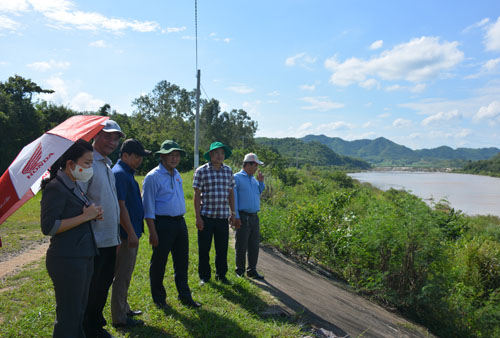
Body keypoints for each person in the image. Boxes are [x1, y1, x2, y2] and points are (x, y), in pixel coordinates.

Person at [40, 139, 102, 338]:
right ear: (70, 164)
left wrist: (92, 214)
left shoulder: (74, 184)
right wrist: (85, 216)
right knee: (69, 316)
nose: (90, 167)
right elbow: (49, 227)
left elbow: (78, 215)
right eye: (87, 163)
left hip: (83, 255)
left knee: (78, 313)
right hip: (67, 259)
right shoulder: (55, 188)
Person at [142, 140, 201, 308]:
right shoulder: (152, 177)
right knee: (159, 262)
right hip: (162, 224)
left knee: (182, 261)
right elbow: (148, 207)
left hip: (179, 222)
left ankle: (185, 296)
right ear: (162, 156)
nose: (175, 159)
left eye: (177, 155)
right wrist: (152, 231)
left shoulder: (176, 174)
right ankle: (159, 298)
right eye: (171, 155)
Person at [82, 120, 124, 338]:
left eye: (116, 138)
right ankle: (88, 328)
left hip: (109, 239)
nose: (112, 141)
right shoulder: (87, 163)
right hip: (93, 239)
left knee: (103, 284)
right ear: (95, 136)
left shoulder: (107, 165)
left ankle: (96, 323)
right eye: (107, 136)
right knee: (92, 287)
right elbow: (78, 199)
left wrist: (115, 238)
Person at [110, 139, 151, 328]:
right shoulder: (120, 174)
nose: (140, 160)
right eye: (137, 156)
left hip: (130, 233)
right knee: (122, 276)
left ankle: (124, 308)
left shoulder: (127, 173)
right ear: (125, 155)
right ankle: (119, 318)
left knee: (126, 274)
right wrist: (131, 233)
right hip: (125, 235)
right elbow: (120, 206)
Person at [193, 141, 237, 285]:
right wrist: (198, 216)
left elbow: (231, 193)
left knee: (222, 249)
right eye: (216, 153)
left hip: (222, 217)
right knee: (204, 248)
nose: (219, 156)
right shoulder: (202, 171)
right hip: (206, 216)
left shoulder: (228, 171)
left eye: (222, 153)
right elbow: (197, 194)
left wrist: (233, 212)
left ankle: (221, 275)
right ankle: (204, 276)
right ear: (210, 155)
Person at [234, 153, 265, 279]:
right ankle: (239, 271)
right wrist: (235, 215)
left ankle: (252, 270)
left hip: (254, 216)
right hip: (243, 215)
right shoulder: (237, 177)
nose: (256, 167)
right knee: (241, 245)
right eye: (255, 165)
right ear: (247, 164)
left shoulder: (253, 179)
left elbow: (258, 192)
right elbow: (234, 198)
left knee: (254, 245)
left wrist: (261, 182)